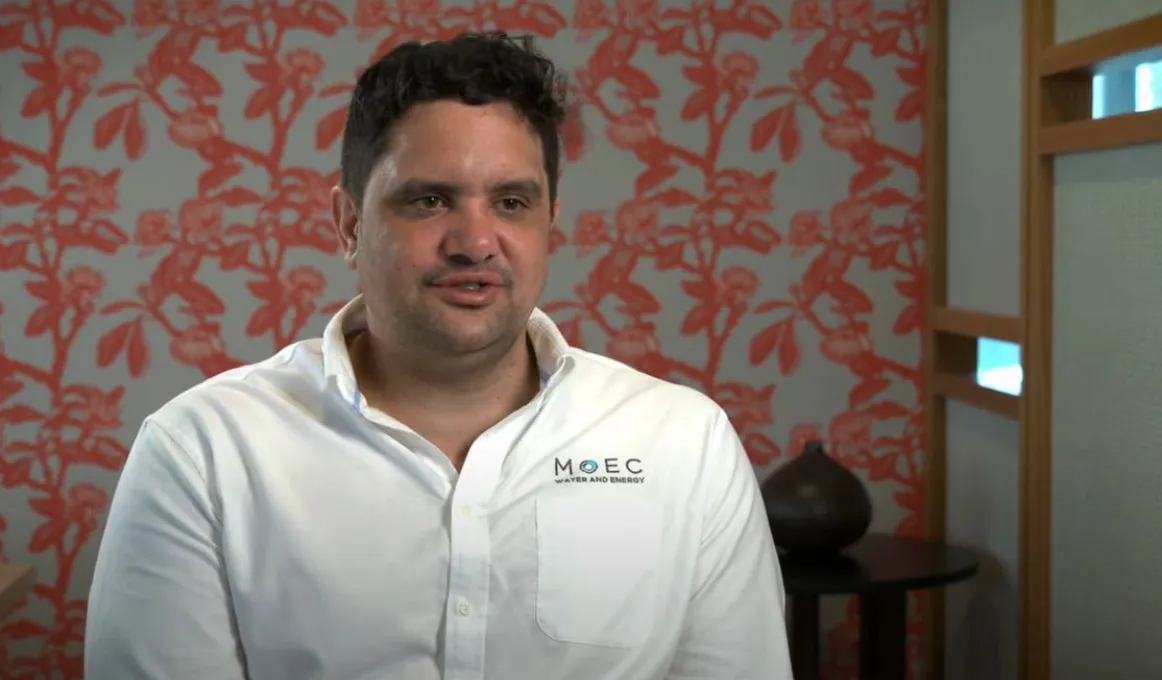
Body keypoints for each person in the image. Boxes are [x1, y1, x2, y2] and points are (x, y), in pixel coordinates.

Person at [84, 31, 792, 680]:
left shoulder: (683, 443)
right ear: (349, 224)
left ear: (552, 222)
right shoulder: (204, 451)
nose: (474, 241)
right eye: (428, 200)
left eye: (512, 202)